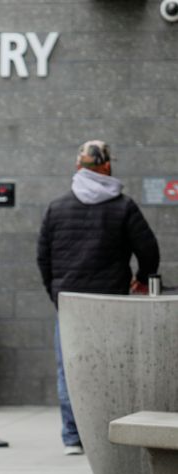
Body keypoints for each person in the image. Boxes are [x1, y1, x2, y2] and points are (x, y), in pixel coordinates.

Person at [37, 140, 160, 456]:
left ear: (79, 167)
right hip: (112, 302)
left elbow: (43, 258)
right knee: (115, 368)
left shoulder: (57, 207)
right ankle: (110, 431)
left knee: (69, 368)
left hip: (70, 303)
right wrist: (142, 280)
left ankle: (73, 436)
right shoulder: (123, 206)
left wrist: (56, 294)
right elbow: (149, 250)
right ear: (106, 166)